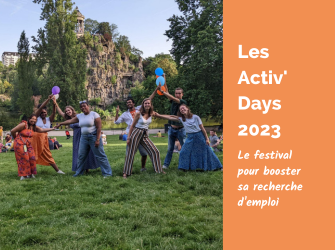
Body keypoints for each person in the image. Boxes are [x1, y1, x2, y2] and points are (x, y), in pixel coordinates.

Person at [153, 104, 223, 171]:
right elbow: (170, 117)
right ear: (180, 112)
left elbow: (202, 128)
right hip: (190, 137)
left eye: (183, 108)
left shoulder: (196, 117)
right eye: (181, 109)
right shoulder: (181, 118)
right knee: (183, 151)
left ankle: (219, 166)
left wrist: (207, 139)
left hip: (199, 135)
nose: (182, 109)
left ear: (187, 109)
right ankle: (183, 167)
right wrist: (158, 115)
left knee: (207, 151)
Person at [54, 100, 112, 177]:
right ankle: (79, 173)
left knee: (100, 155)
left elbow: (99, 128)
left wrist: (97, 140)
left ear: (88, 106)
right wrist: (61, 123)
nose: (83, 107)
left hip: (93, 136)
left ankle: (107, 173)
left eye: (84, 106)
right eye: (81, 107)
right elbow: (70, 121)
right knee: (81, 156)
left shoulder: (94, 114)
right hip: (83, 138)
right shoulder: (80, 116)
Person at [114, 86, 159, 172]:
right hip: (131, 134)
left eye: (130, 102)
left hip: (141, 133)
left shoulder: (140, 108)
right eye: (127, 103)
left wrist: (156, 89)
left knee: (144, 153)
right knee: (129, 153)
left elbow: (149, 99)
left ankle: (143, 168)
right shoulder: (124, 114)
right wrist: (116, 112)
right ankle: (127, 169)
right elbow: (116, 122)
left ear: (133, 103)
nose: (129, 104)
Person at [123, 98, 165, 178]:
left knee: (155, 151)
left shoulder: (151, 113)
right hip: (136, 133)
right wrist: (128, 138)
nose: (147, 104)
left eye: (148, 103)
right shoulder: (138, 113)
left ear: (150, 105)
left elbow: (164, 116)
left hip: (145, 134)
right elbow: (132, 126)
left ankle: (159, 170)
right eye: (145, 103)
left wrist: (177, 118)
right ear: (143, 105)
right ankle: (126, 173)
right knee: (130, 153)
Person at [10, 114, 55, 180]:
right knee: (24, 158)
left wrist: (53, 128)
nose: (34, 120)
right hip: (20, 143)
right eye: (32, 119)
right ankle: (24, 175)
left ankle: (30, 174)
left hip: (28, 144)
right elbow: (12, 131)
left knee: (32, 157)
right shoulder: (23, 124)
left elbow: (42, 130)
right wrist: (16, 138)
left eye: (35, 119)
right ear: (29, 118)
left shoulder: (34, 127)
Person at [158, 79, 187, 169]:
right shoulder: (173, 101)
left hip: (181, 130)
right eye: (176, 93)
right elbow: (168, 92)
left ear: (182, 94)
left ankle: (185, 164)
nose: (177, 95)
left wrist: (162, 91)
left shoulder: (183, 102)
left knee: (184, 148)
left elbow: (170, 96)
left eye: (179, 93)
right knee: (170, 149)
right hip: (172, 129)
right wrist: (164, 79)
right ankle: (166, 165)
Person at [32, 95, 65, 174]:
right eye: (42, 112)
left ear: (46, 112)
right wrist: (48, 99)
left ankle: (58, 170)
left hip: (44, 139)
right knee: (33, 155)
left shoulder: (48, 119)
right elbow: (40, 108)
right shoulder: (36, 118)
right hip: (35, 139)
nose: (43, 113)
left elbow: (54, 112)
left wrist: (54, 103)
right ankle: (31, 172)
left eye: (45, 112)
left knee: (48, 154)